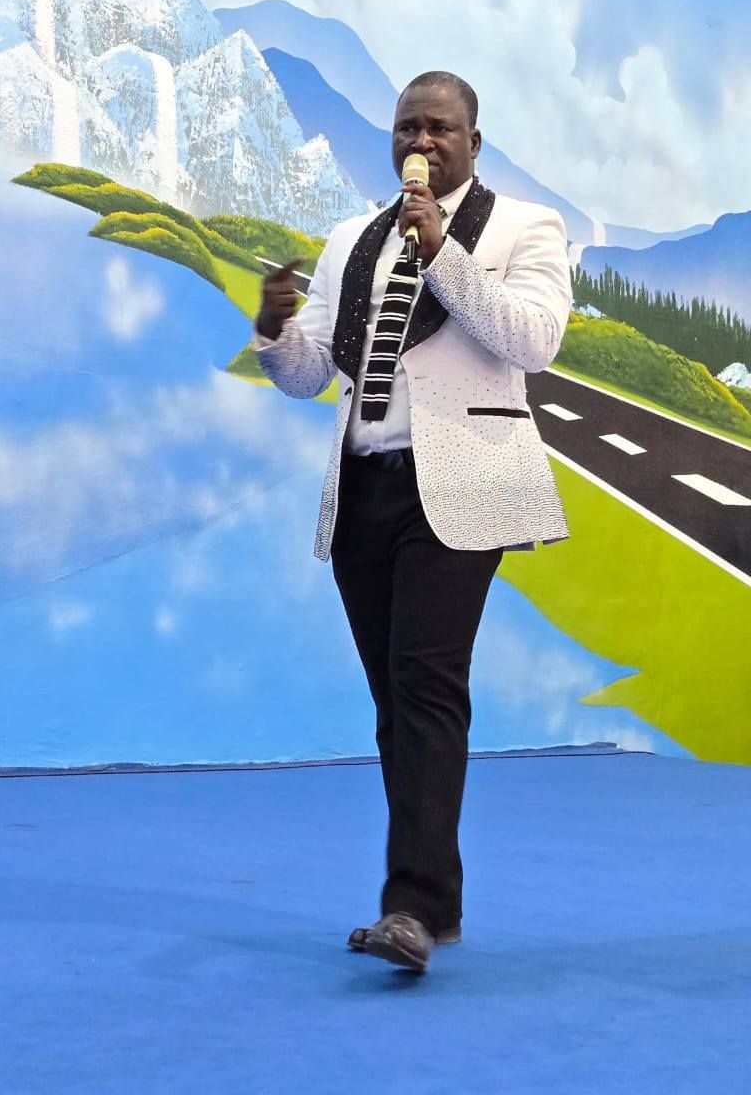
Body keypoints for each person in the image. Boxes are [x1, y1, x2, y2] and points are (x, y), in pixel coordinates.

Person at [253, 71, 572, 973]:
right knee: (395, 701)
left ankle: (411, 909)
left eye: (439, 128)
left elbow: (534, 341)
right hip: (364, 486)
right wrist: (275, 331)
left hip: (462, 484)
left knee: (427, 683)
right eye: (406, 128)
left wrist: (442, 254)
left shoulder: (524, 227)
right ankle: (438, 903)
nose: (420, 143)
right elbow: (310, 376)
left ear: (474, 142)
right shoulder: (349, 238)